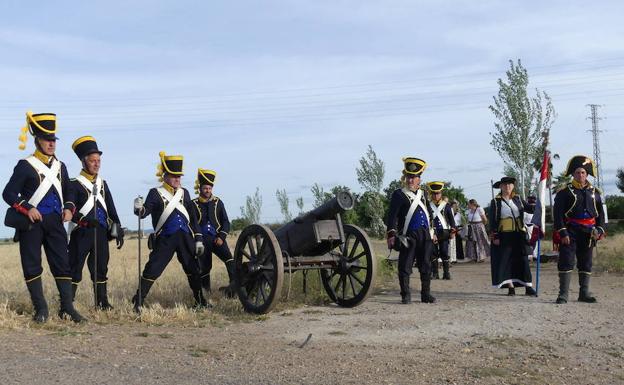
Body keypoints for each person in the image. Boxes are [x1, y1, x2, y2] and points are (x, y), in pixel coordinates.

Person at [2, 112, 85, 323]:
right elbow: (8, 193)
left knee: (62, 264)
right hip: (32, 224)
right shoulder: (25, 165)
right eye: (47, 139)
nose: (51, 143)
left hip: (56, 223)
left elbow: (70, 192)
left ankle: (67, 308)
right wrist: (27, 208)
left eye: (53, 139)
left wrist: (69, 208)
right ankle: (41, 310)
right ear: (37, 139)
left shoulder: (61, 167)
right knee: (32, 265)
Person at [132, 152, 207, 312]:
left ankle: (200, 300)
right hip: (165, 238)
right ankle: (138, 300)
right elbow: (144, 212)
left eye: (179, 176)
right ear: (165, 176)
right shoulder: (155, 193)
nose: (177, 179)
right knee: (153, 268)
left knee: (193, 269)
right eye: (174, 176)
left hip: (185, 237)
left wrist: (199, 238)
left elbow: (193, 218)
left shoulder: (184, 193)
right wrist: (138, 207)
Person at [67, 136, 124, 309]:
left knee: (101, 268)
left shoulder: (103, 184)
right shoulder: (73, 184)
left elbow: (111, 209)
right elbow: (70, 209)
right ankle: (67, 304)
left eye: (98, 160)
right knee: (74, 268)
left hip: (100, 232)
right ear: (84, 162)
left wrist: (118, 228)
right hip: (81, 231)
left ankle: (102, 302)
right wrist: (82, 220)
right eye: (93, 160)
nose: (97, 164)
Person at [553, 155, 606, 304]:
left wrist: (600, 229)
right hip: (570, 231)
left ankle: (584, 293)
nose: (580, 175)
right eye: (577, 172)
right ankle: (563, 294)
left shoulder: (595, 192)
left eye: (583, 172)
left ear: (587, 174)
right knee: (566, 261)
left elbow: (601, 214)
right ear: (573, 174)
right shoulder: (564, 192)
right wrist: (563, 231)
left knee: (586, 262)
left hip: (589, 232)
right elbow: (557, 215)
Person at [386, 157, 436, 304]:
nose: (410, 180)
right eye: (408, 177)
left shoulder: (424, 194)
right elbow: (392, 217)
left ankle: (425, 294)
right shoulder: (399, 194)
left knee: (426, 265)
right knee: (405, 266)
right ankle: (405, 295)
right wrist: (391, 234)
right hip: (408, 236)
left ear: (419, 179)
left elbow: (429, 214)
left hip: (425, 235)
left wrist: (432, 233)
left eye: (413, 177)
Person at [488, 177, 537, 296]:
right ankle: (510, 287)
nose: (507, 187)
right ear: (501, 187)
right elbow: (493, 221)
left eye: (510, 184)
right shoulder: (495, 202)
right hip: (504, 235)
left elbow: (530, 209)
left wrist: (538, 205)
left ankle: (528, 287)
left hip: (519, 234)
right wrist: (495, 236)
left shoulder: (518, 198)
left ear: (513, 186)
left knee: (523, 260)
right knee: (506, 261)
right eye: (505, 185)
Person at [192, 169, 235, 299]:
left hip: (217, 239)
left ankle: (234, 288)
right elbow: (193, 224)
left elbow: (226, 222)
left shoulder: (218, 202)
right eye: (205, 188)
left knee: (230, 260)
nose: (208, 191)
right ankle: (206, 292)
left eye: (210, 188)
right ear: (200, 188)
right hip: (202, 241)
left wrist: (221, 236)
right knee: (204, 268)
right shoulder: (193, 204)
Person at [426, 182, 456, 280]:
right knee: (433, 252)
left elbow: (451, 220)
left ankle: (446, 273)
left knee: (444, 251)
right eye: (434, 193)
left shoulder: (446, 205)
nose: (436, 195)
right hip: (432, 232)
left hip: (444, 232)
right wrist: (431, 233)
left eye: (438, 193)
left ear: (441, 193)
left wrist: (452, 232)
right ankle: (435, 273)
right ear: (431, 194)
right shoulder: (428, 205)